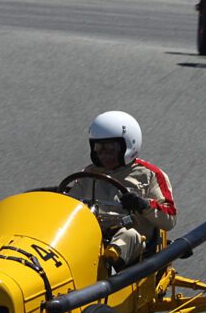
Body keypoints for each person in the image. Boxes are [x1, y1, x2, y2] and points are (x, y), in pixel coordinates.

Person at [66, 111, 177, 267]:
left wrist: (143, 204)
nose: (105, 155)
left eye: (111, 149)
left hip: (134, 246)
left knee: (128, 235)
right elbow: (68, 206)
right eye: (99, 148)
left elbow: (169, 219)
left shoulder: (150, 175)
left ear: (129, 145)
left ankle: (108, 268)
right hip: (93, 235)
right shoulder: (89, 174)